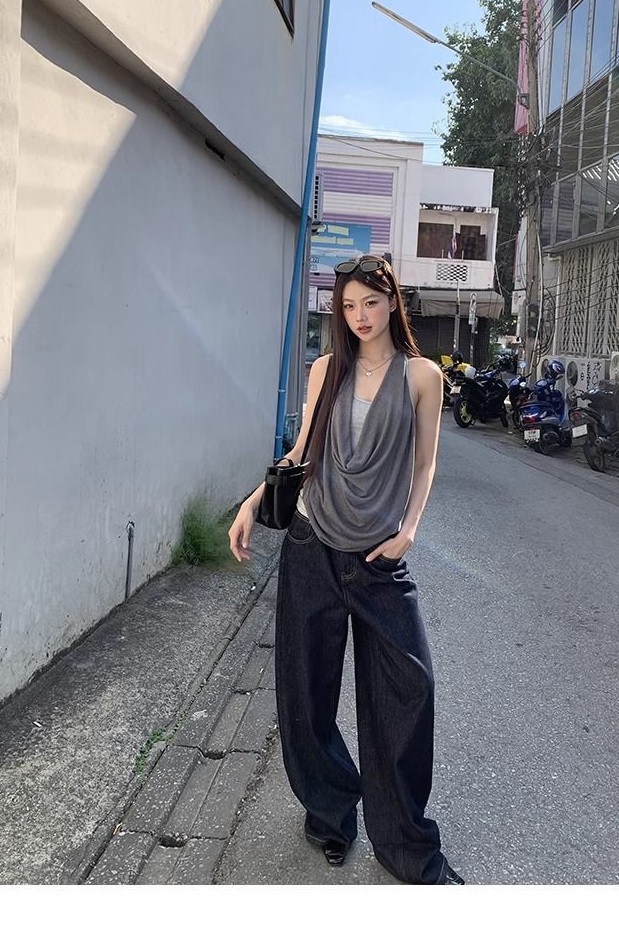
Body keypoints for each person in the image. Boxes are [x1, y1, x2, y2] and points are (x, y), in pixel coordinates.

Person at [228, 254, 464, 886]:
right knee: (306, 691)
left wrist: (409, 530)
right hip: (312, 543)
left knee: (409, 688)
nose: (360, 316)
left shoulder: (422, 376)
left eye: (371, 302)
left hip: (378, 555)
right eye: (350, 305)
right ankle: (331, 814)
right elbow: (302, 450)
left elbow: (425, 463)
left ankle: (405, 843)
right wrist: (252, 502)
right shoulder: (326, 369)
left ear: (392, 302)